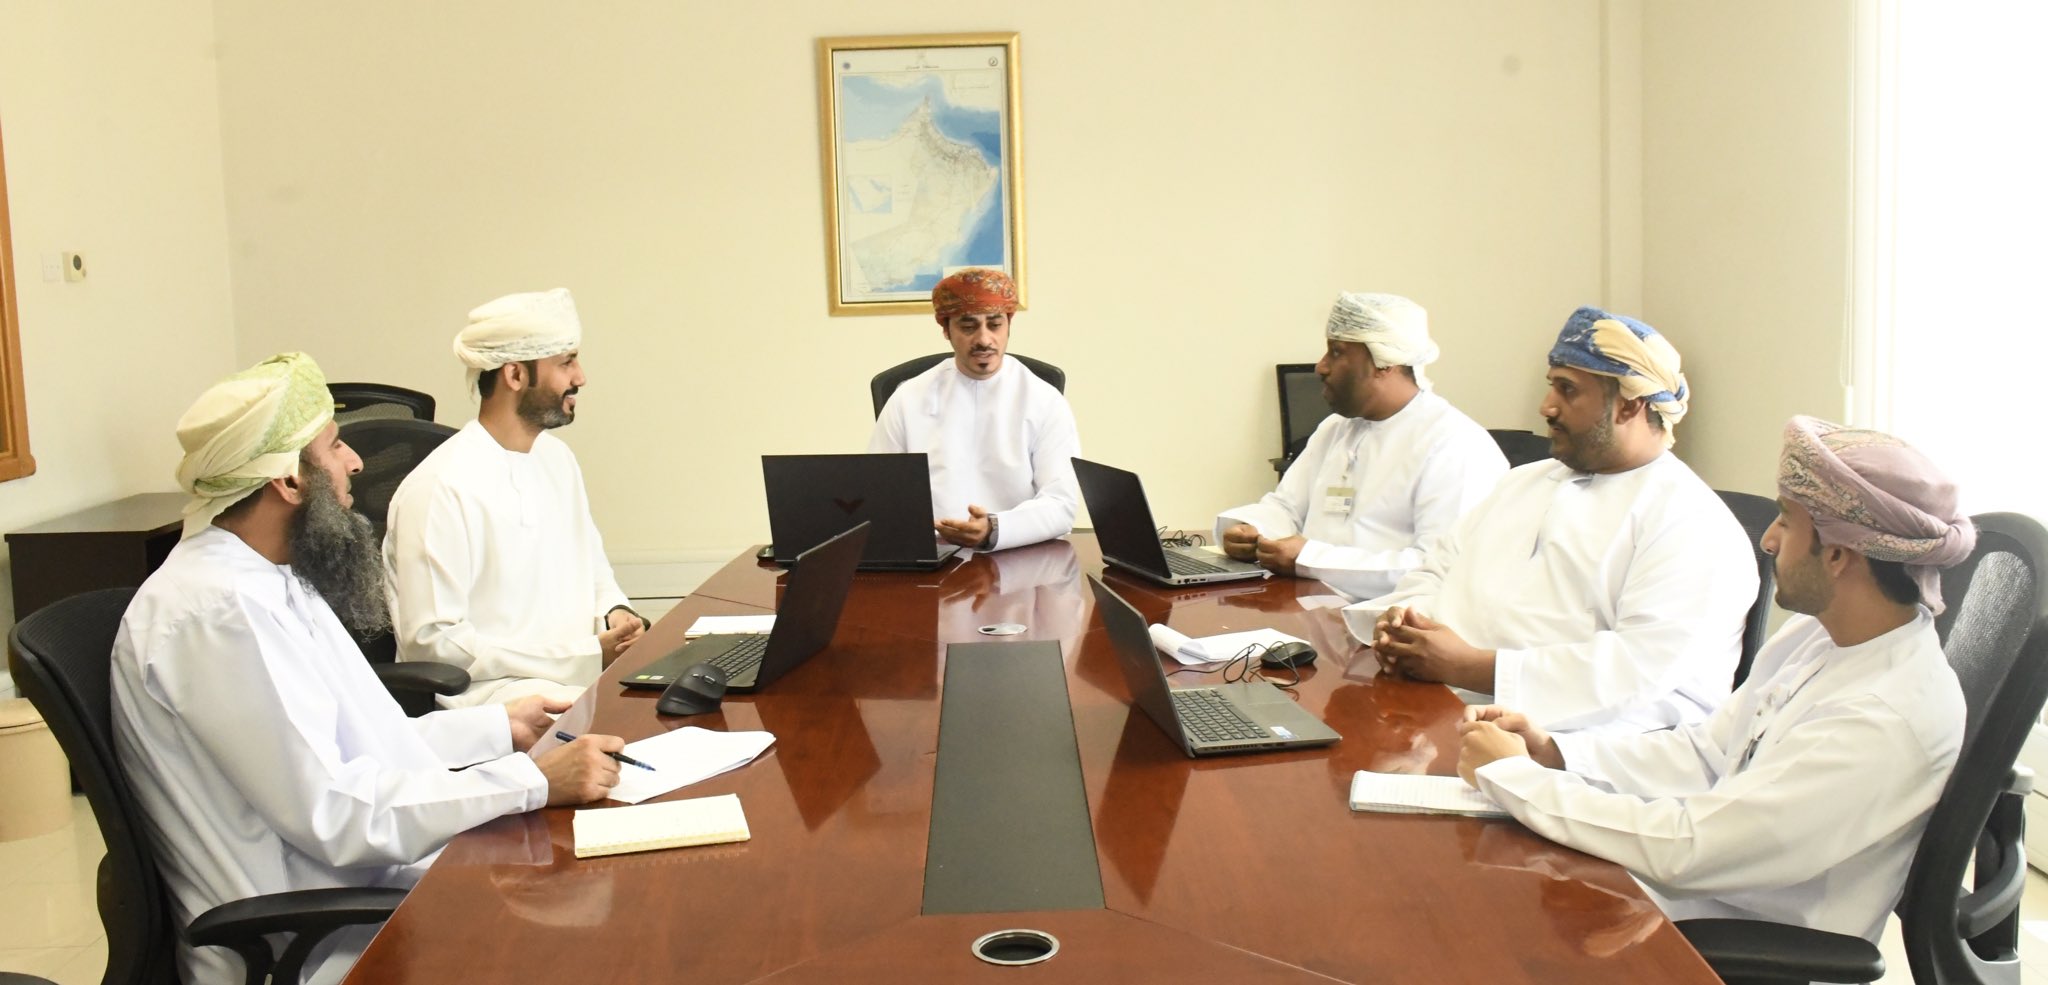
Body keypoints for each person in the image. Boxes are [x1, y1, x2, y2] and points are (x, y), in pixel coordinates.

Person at [112, 352, 625, 985]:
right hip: (310, 941)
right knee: (587, 938)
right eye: (334, 446)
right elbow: (340, 815)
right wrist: (532, 781)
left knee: (587, 898)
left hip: (362, 890)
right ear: (288, 482)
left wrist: (498, 728)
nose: (355, 461)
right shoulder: (218, 612)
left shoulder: (270, 576)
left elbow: (363, 744)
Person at [1457, 416, 1974, 942]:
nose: (1768, 540)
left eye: (1785, 521)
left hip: (1746, 942)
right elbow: (1706, 753)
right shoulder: (1820, 637)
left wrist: (1516, 780)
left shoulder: (1883, 716)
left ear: (1839, 556)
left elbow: (1693, 850)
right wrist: (1556, 753)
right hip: (1678, 895)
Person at [1346, 306, 1757, 733]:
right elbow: (1437, 569)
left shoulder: (1692, 523)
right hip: (1444, 703)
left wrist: (1471, 668)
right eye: (1552, 387)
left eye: (1568, 390)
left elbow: (1637, 668)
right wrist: (1404, 620)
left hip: (1588, 744)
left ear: (1628, 405)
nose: (1547, 407)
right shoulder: (1522, 482)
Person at [384, 288, 646, 707]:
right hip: (498, 703)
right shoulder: (439, 488)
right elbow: (434, 644)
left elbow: (593, 568)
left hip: (584, 685)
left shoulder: (557, 459)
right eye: (566, 362)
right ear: (515, 375)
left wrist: (615, 612)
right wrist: (583, 655)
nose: (580, 377)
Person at [1216, 292, 1506, 600]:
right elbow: (1287, 507)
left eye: (1336, 352)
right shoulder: (1336, 429)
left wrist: (1310, 559)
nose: (1321, 367)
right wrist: (1252, 529)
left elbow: (1438, 568)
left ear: (1385, 363)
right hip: (1308, 606)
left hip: (1384, 619)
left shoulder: (1454, 444)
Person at [869, 268, 1081, 551]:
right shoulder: (907, 398)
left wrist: (994, 529)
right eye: (968, 327)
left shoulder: (1045, 400)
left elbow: (1061, 504)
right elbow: (879, 494)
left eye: (995, 325)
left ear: (1009, 324)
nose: (984, 339)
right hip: (930, 555)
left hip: (1019, 554)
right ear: (946, 330)